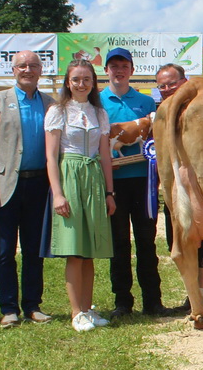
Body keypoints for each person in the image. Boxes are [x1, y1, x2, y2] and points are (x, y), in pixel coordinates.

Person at [0, 51, 55, 328]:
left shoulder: (50, 103)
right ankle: (9, 309)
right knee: (4, 250)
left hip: (39, 185)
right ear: (13, 69)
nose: (28, 70)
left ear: (40, 70)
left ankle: (33, 306)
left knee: (34, 249)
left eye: (33, 65)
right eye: (22, 65)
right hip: (5, 185)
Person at [44, 60, 116, 331]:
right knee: (75, 249)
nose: (81, 84)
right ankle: (76, 312)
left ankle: (88, 308)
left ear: (93, 83)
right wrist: (58, 194)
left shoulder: (99, 113)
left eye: (87, 79)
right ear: (67, 82)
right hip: (70, 174)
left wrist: (109, 192)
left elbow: (106, 156)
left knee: (90, 249)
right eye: (76, 79)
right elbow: (51, 156)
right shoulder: (58, 111)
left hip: (94, 176)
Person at [101, 48, 171, 318]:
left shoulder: (145, 103)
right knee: (118, 244)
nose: (119, 70)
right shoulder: (98, 101)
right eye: (114, 66)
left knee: (146, 242)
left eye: (124, 65)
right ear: (106, 71)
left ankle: (153, 301)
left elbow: (153, 138)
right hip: (113, 183)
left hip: (143, 181)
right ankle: (122, 302)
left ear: (131, 70)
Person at [155, 63, 203, 312]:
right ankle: (192, 295)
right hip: (168, 185)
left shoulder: (200, 111)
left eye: (172, 83)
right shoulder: (157, 113)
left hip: (197, 182)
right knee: (178, 236)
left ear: (184, 81)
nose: (168, 89)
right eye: (162, 85)